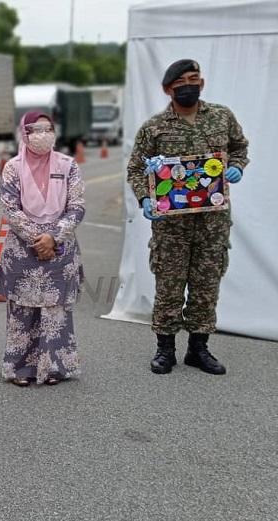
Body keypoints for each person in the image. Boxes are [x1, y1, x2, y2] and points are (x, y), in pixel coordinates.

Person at [127, 59, 249, 376]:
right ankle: (165, 350)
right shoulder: (154, 127)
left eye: (194, 79)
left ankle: (199, 348)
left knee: (206, 286)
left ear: (202, 83)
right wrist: (145, 198)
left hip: (213, 223)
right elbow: (135, 168)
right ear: (168, 89)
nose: (189, 85)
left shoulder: (222, 117)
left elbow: (239, 147)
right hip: (171, 227)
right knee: (168, 287)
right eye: (181, 82)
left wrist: (236, 165)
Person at [0, 111, 85, 386]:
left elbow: (77, 206)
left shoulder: (69, 165)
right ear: (24, 133)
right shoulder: (13, 167)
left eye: (48, 129)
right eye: (36, 129)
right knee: (23, 311)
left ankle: (54, 367)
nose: (43, 134)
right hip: (24, 251)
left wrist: (54, 238)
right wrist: (39, 239)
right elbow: (10, 208)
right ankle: (20, 368)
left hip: (60, 250)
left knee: (56, 311)